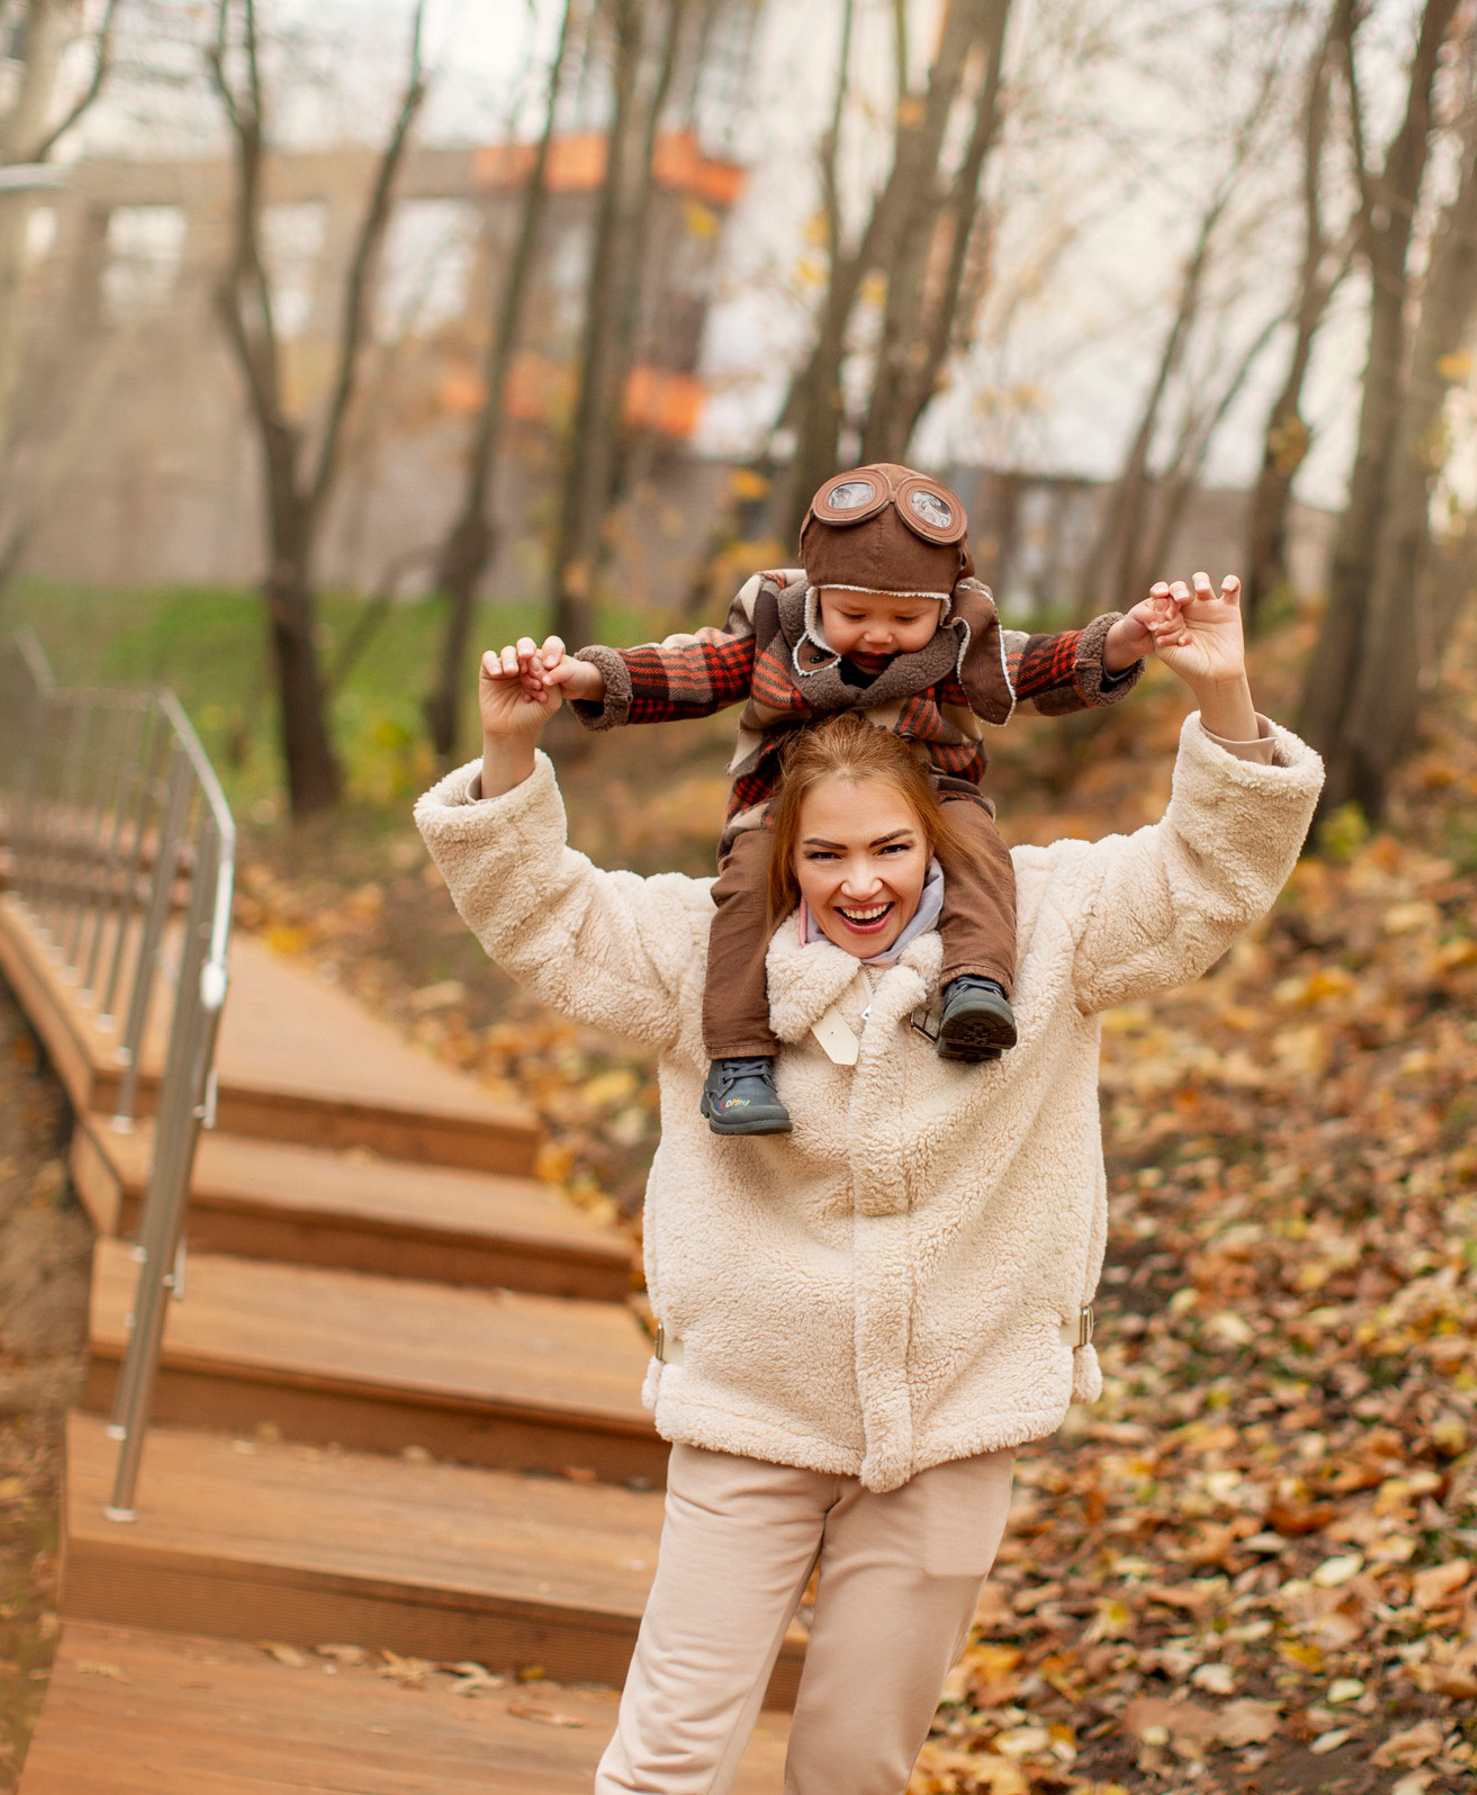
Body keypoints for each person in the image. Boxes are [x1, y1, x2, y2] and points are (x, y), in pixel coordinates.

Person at [415, 570, 1324, 1795]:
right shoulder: (706, 950)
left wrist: (1223, 699)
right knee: (669, 1756)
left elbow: (1205, 880)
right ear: (778, 854)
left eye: (893, 849)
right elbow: (547, 920)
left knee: (856, 1767)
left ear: (939, 840)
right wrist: (510, 753)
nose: (861, 884)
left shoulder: (1047, 931)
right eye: (826, 855)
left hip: (954, 1420)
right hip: (751, 1413)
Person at [512, 463, 1176, 1138]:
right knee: (746, 888)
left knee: (979, 852)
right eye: (853, 615)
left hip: (930, 792)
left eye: (906, 618)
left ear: (942, 605)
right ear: (818, 593)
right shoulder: (776, 625)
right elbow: (695, 669)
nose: (878, 635)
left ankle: (976, 985)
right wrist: (591, 678)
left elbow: (1030, 667)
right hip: (788, 800)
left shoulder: (958, 637)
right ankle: (739, 1060)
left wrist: (1119, 644)